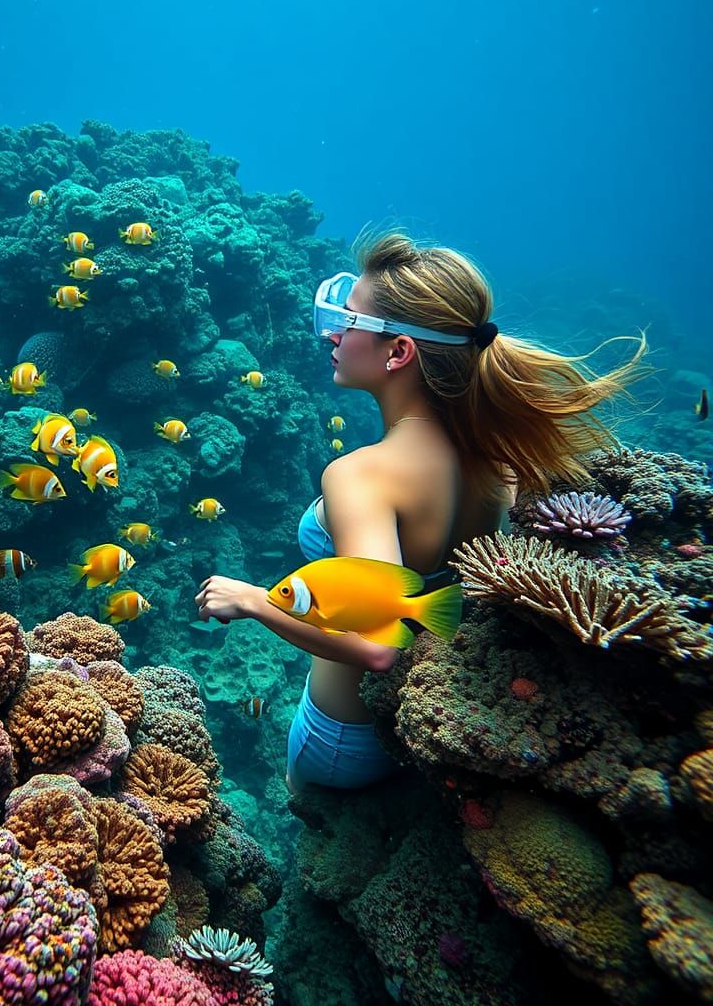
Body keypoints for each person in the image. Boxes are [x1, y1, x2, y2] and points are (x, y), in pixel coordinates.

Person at [194, 230, 648, 793]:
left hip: (340, 734)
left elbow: (376, 650)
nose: (333, 333)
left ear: (399, 351)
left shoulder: (360, 475)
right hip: (408, 727)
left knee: (307, 816)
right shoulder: (495, 454)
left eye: (350, 321)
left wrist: (254, 601)